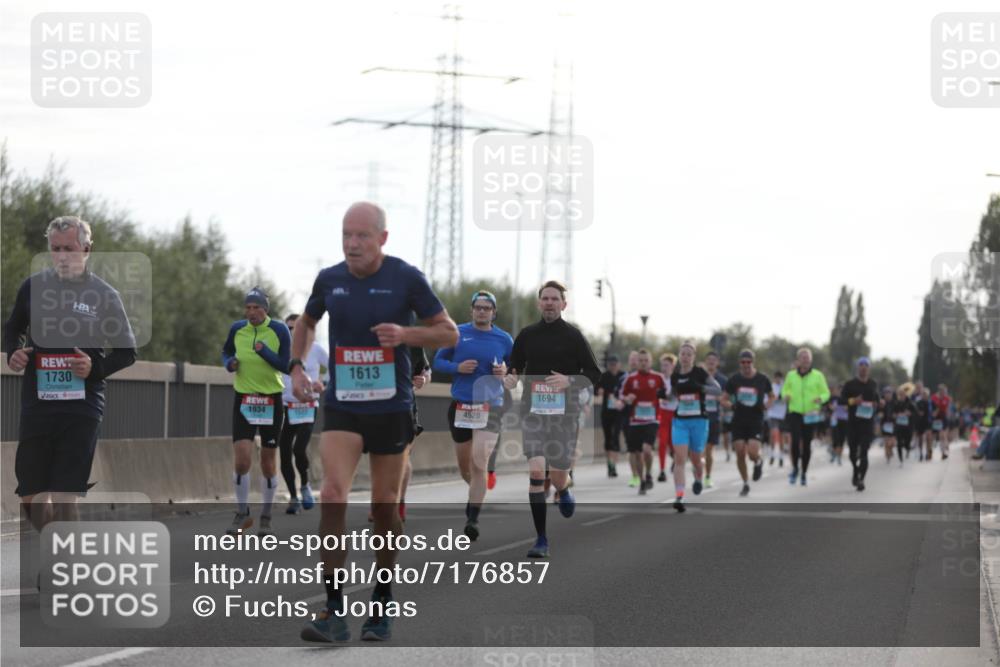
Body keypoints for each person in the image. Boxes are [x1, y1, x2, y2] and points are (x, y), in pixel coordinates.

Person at [297, 202, 458, 643]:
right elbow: (306, 323)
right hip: (344, 404)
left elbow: (448, 332)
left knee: (384, 509)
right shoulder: (329, 279)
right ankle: (334, 611)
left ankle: (382, 600)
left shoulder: (405, 277)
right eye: (346, 235)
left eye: (362, 236)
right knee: (332, 495)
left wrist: (407, 335)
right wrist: (296, 367)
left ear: (382, 238)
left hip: (390, 406)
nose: (352, 244)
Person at [4, 216, 137, 532]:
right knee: (30, 497)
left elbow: (127, 352)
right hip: (38, 404)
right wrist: (14, 353)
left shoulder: (104, 295)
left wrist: (95, 369)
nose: (62, 256)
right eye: (55, 249)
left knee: (66, 496)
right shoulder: (33, 287)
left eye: (69, 249)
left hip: (82, 406)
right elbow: (12, 329)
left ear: (87, 249)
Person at [503, 280, 602, 558]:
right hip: (533, 413)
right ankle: (541, 540)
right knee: (537, 473)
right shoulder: (527, 335)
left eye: (554, 299)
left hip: (564, 415)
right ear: (539, 303)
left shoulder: (574, 336)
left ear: (563, 304)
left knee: (557, 475)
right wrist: (510, 379)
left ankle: (564, 488)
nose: (549, 303)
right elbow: (514, 368)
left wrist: (569, 380)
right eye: (545, 298)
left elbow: (594, 374)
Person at [432, 290, 513, 541]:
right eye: (478, 307)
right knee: (465, 467)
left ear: (493, 312)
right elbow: (437, 362)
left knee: (479, 462)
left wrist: (505, 372)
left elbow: (515, 373)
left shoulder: (504, 339)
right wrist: (457, 367)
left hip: (490, 407)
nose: (482, 311)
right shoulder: (457, 333)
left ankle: (473, 519)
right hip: (461, 406)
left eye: (486, 308)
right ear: (471, 310)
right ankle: (476, 494)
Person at [222, 287, 291, 537]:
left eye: (256, 308)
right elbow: (226, 351)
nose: (251, 312)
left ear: (265, 309)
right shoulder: (237, 329)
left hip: (271, 399)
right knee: (241, 460)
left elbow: (285, 364)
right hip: (244, 399)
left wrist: (265, 352)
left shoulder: (279, 330)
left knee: (268, 463)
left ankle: (266, 516)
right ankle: (242, 513)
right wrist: (229, 363)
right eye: (248, 307)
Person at [279, 314, 327, 515]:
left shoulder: (316, 349)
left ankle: (305, 485)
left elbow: (334, 366)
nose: (292, 332)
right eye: (288, 328)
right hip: (287, 406)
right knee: (284, 451)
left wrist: (323, 383)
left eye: (295, 328)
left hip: (308, 405)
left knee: (299, 448)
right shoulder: (282, 350)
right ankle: (293, 497)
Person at [667, 341, 721, 512]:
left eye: (689, 354)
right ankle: (679, 496)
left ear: (694, 357)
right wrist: (663, 395)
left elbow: (718, 390)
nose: (685, 357)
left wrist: (700, 388)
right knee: (680, 459)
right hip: (680, 421)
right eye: (683, 354)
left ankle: (698, 478)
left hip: (699, 421)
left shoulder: (700, 373)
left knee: (696, 459)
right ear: (679, 355)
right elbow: (672, 395)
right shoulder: (675, 375)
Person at [723, 350, 773, 496]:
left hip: (755, 420)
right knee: (739, 452)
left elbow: (772, 396)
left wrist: (766, 405)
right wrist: (731, 405)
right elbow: (723, 398)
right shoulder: (734, 379)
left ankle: (758, 461)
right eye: (743, 362)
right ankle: (745, 483)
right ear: (740, 363)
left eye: (748, 362)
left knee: (752, 453)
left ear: (753, 362)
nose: (746, 365)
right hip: (738, 420)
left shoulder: (762, 378)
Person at [780, 348, 830, 486]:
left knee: (807, 444)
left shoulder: (818, 375)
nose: (805, 360)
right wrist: (786, 396)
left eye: (807, 357)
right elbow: (784, 390)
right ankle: (795, 468)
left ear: (811, 360)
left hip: (810, 414)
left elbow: (826, 393)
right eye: (803, 357)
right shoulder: (791, 375)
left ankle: (804, 472)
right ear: (798, 360)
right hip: (795, 412)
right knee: (795, 442)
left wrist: (821, 398)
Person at [620, 349, 667, 495]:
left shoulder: (658, 377)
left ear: (650, 362)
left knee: (647, 449)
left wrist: (663, 396)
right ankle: (642, 481)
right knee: (637, 453)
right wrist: (627, 399)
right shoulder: (631, 379)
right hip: (635, 421)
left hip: (652, 419)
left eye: (646, 360)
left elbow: (667, 393)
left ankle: (649, 474)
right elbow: (622, 395)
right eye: (640, 360)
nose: (643, 363)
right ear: (637, 362)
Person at [841, 357, 881, 491]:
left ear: (869, 369)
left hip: (867, 424)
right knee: (852, 454)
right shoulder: (850, 384)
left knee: (864, 452)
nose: (863, 367)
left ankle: (861, 479)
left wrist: (877, 404)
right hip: (853, 423)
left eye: (866, 365)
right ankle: (855, 470)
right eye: (861, 365)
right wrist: (853, 401)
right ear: (858, 368)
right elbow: (841, 400)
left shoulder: (873, 384)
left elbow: (877, 400)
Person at [595, 355, 626, 478]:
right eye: (610, 364)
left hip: (619, 412)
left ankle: (614, 465)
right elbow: (595, 389)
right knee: (608, 437)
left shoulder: (623, 376)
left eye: (615, 364)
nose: (613, 366)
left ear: (619, 364)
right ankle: (609, 464)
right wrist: (599, 391)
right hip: (606, 411)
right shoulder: (603, 376)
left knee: (615, 436)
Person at [702, 351, 729, 487]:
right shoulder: (700, 377)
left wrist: (720, 398)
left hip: (714, 417)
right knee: (698, 449)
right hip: (699, 417)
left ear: (717, 363)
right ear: (705, 361)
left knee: (709, 449)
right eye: (709, 359)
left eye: (714, 360)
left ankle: (707, 476)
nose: (711, 362)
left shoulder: (723, 380)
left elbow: (728, 399)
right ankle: (699, 471)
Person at [656, 353, 678, 481]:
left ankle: (676, 459)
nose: (664, 368)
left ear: (672, 366)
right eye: (662, 365)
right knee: (662, 443)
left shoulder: (676, 379)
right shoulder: (658, 379)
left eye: (667, 365)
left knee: (672, 443)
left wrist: (671, 395)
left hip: (675, 415)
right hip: (663, 414)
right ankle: (662, 470)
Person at [766, 369, 788, 466]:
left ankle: (781, 456)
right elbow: (767, 400)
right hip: (772, 414)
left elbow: (788, 398)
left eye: (780, 378)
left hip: (782, 415)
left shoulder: (785, 387)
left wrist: (784, 399)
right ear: (774, 378)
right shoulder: (771, 387)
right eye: (776, 378)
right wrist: (772, 400)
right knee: (772, 434)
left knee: (781, 436)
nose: (778, 380)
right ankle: (772, 454)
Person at [829, 385, 847, 466]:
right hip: (835, 420)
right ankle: (834, 452)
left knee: (842, 440)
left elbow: (848, 408)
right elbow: (830, 407)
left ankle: (839, 457)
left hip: (844, 421)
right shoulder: (833, 398)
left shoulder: (847, 399)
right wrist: (833, 407)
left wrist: (845, 408)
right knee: (835, 439)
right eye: (839, 390)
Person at [879, 387, 897, 464]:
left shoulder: (895, 403)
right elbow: (877, 411)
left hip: (893, 424)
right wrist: (880, 414)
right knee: (886, 441)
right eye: (886, 393)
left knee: (892, 442)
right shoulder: (881, 403)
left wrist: (896, 415)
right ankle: (887, 455)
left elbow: (899, 411)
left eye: (889, 393)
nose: (888, 395)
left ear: (892, 394)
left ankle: (891, 449)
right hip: (884, 423)